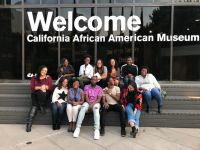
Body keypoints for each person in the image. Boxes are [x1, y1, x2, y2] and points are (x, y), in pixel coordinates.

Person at [26, 65, 53, 132]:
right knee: (35, 105)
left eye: (46, 71)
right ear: (40, 70)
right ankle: (41, 105)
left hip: (45, 95)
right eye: (43, 70)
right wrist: (40, 87)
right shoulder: (34, 77)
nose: (44, 72)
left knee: (42, 94)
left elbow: (50, 88)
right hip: (35, 94)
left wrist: (45, 87)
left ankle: (28, 124)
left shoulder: (48, 78)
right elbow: (32, 87)